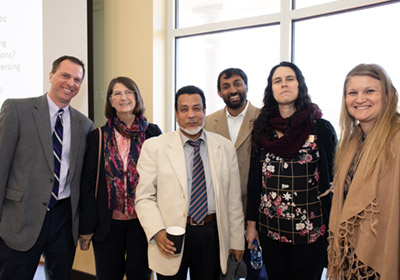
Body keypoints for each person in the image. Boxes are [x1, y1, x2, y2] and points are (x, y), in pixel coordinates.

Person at [135, 85, 245, 280]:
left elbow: (233, 201)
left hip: (212, 234)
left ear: (204, 111)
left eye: (197, 108)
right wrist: (157, 231)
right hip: (170, 236)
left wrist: (237, 241)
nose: (191, 115)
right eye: (184, 109)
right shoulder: (155, 147)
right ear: (176, 114)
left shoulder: (224, 147)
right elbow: (144, 197)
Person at [0, 55, 93, 279]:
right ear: (51, 76)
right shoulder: (17, 110)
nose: (71, 83)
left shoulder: (85, 125)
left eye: (77, 80)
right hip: (20, 218)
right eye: (65, 76)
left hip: (63, 219)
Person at [246, 61, 337, 280]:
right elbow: (254, 181)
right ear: (271, 89)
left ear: (300, 85)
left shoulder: (321, 127)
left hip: (311, 231)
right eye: (277, 81)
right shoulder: (262, 128)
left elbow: (335, 179)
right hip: (270, 229)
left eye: (290, 79)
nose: (284, 84)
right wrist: (251, 224)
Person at [79, 77, 161, 279]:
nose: (123, 97)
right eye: (117, 93)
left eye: (128, 92)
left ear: (136, 97)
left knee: (140, 276)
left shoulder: (153, 133)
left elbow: (163, 180)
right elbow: (88, 186)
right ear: (110, 101)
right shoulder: (97, 137)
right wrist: (86, 228)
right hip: (108, 224)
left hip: (143, 223)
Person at [327, 64, 400, 280]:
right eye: (353, 93)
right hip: (350, 258)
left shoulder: (396, 139)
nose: (360, 99)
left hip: (381, 258)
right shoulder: (351, 142)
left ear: (387, 95)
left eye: (370, 91)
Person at [204, 68, 266, 280]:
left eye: (237, 83)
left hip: (255, 210)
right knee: (220, 271)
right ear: (219, 93)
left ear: (246, 86)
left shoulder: (263, 119)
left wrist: (253, 221)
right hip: (219, 211)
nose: (233, 90)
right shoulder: (208, 122)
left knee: (253, 272)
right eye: (226, 86)